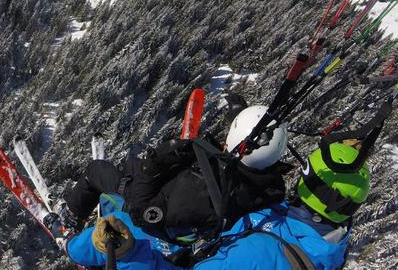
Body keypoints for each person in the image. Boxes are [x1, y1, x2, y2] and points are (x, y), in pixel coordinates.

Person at [67, 142, 369, 270]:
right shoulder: (330, 235)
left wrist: (128, 253)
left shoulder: (264, 256)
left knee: (122, 225)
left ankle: (73, 247)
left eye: (306, 173)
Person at [46, 105, 291, 244]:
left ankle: (70, 221)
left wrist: (153, 166)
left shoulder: (201, 191)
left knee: (96, 170)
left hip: (152, 206)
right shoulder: (267, 187)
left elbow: (143, 213)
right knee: (131, 164)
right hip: (174, 193)